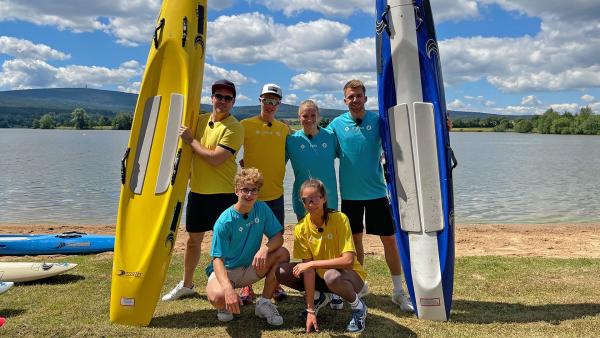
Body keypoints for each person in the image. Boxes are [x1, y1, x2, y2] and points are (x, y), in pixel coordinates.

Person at [327, 79, 414, 312]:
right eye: (350, 96)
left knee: (390, 242)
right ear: (344, 100)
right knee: (354, 245)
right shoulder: (336, 124)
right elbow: (319, 143)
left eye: (359, 96)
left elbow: (405, 135)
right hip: (350, 196)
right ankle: (359, 286)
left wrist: (443, 124)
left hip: (377, 192)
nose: (355, 100)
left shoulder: (377, 121)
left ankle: (398, 291)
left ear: (366, 98)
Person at [162, 79, 244, 301]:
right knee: (192, 241)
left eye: (228, 98)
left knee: (226, 246)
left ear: (233, 102)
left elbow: (215, 159)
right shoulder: (198, 121)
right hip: (197, 193)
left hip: (225, 195)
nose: (223, 101)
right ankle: (187, 284)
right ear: (212, 98)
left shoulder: (235, 127)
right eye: (219, 96)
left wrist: (191, 140)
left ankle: (229, 289)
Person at [276, 179, 368, 333]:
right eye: (306, 200)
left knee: (331, 275)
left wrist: (312, 264)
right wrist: (310, 309)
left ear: (324, 198)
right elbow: (308, 271)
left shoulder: (340, 219)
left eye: (314, 198)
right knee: (282, 271)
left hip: (351, 277)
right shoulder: (300, 228)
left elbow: (348, 261)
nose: (310, 203)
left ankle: (359, 308)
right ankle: (320, 297)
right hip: (322, 278)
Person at [205, 168, 290, 325]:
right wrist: (228, 289)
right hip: (227, 271)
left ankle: (264, 303)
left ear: (258, 192)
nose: (249, 195)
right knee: (217, 297)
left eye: (254, 190)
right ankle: (224, 305)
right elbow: (217, 260)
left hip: (251, 268)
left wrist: (265, 248)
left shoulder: (262, 208)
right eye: (245, 190)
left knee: (282, 253)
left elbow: (278, 237)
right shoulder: (225, 221)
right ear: (236, 190)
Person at [238, 83, 290, 304]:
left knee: (275, 242)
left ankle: (274, 283)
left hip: (276, 195)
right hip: (251, 195)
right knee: (246, 242)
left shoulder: (284, 128)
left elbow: (303, 139)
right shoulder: (244, 125)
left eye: (274, 101)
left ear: (279, 104)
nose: (270, 105)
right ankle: (245, 286)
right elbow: (229, 151)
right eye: (266, 100)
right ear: (259, 100)